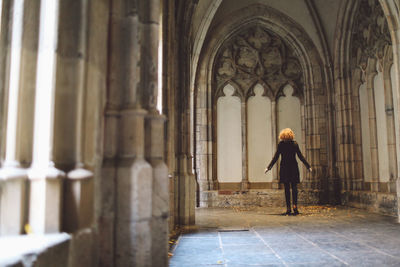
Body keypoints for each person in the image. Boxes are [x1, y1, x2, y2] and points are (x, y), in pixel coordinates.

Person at [265, 128, 312, 216]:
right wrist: (308, 166)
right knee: (294, 187)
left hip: (284, 168)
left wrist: (269, 167)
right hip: (293, 167)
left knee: (286, 188)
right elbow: (300, 156)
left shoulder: (281, 145)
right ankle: (295, 206)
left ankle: (288, 208)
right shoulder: (295, 144)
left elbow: (275, 157)